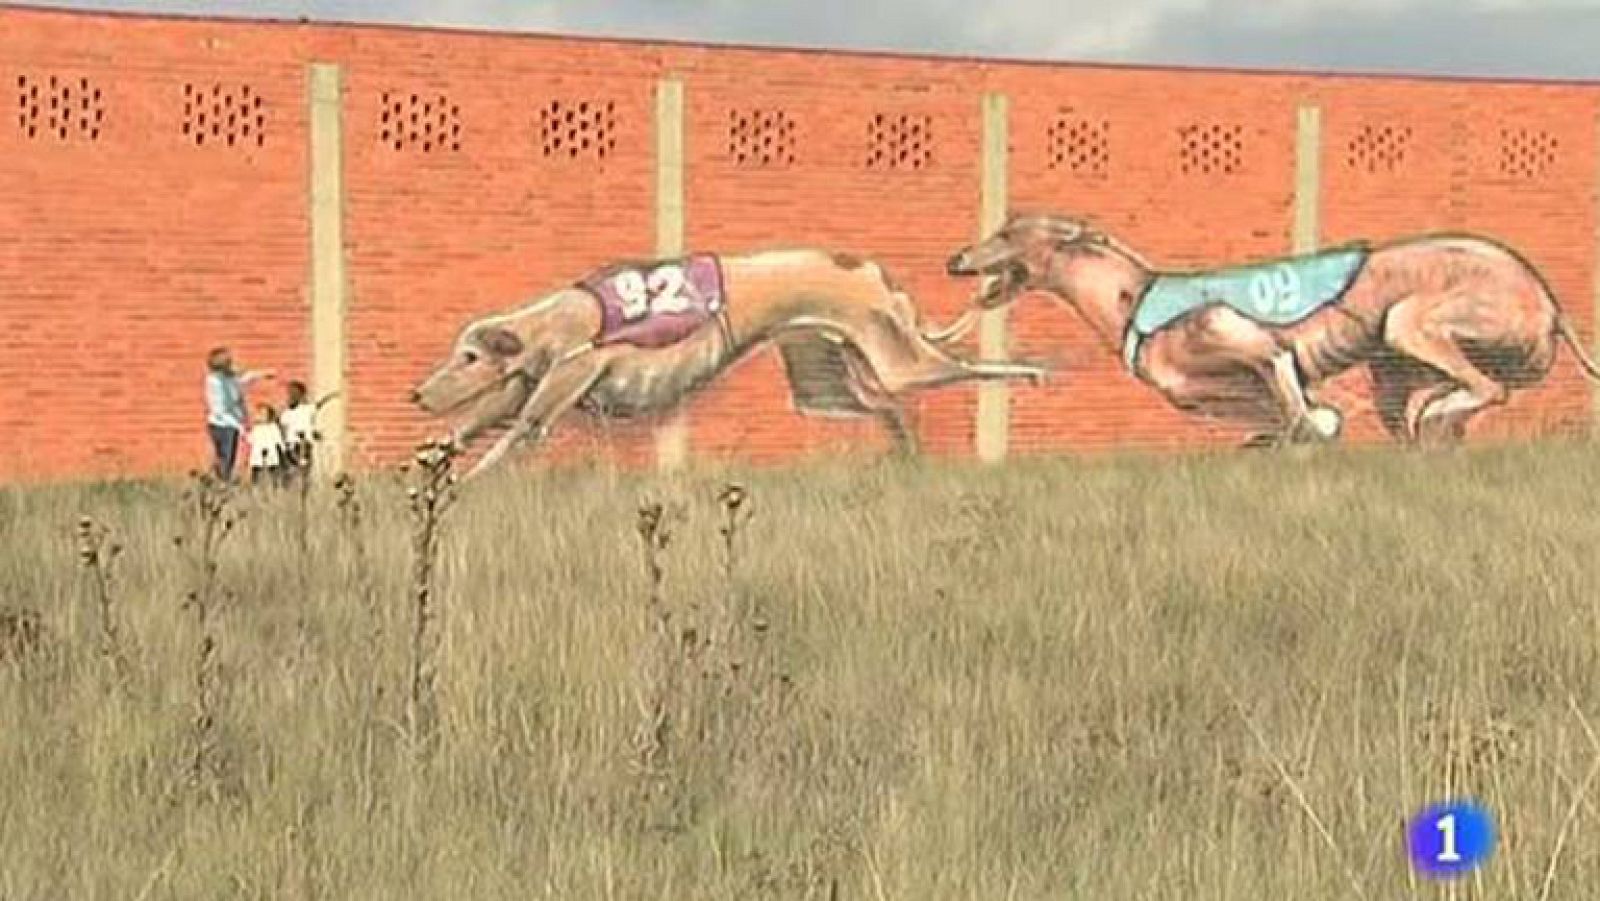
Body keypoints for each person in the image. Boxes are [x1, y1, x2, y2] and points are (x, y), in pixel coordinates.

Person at [204, 347, 273, 482]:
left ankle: (220, 480)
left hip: (230, 423)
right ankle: (220, 482)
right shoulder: (215, 383)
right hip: (222, 425)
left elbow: (244, 378)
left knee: (227, 458)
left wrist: (262, 374)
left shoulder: (229, 378)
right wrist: (241, 427)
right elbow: (220, 410)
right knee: (225, 457)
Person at [280, 380, 337, 480]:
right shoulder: (287, 412)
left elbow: (319, 404)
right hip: (292, 444)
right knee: (292, 467)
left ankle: (303, 485)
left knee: (304, 466)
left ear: (301, 396)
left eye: (294, 393)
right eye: (290, 394)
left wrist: (331, 396)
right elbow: (282, 427)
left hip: (305, 443)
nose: (291, 397)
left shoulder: (307, 409)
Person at [247, 404, 288, 486]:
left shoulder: (273, 427)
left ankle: (274, 488)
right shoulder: (256, 428)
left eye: (264, 414)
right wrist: (248, 431)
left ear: (269, 415)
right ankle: (256, 488)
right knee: (256, 473)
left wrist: (283, 452)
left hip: (271, 454)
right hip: (257, 455)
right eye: (260, 414)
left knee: (273, 473)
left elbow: (278, 440)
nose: (262, 416)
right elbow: (250, 440)